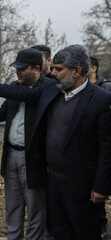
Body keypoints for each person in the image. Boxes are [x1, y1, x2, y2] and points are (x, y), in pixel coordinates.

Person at [0, 44, 111, 240]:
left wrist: (101, 186)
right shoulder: (55, 92)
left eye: (58, 69)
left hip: (80, 182)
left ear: (77, 71)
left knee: (82, 230)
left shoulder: (96, 98)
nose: (53, 73)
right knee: (59, 230)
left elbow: (107, 148)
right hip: (53, 177)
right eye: (53, 68)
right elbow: (16, 101)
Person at [0, 48, 48, 239]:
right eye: (15, 67)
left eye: (21, 68)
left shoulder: (48, 88)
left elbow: (24, 95)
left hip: (33, 160)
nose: (17, 71)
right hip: (11, 157)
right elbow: (5, 111)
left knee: (36, 211)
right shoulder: (15, 86)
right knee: (13, 207)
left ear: (36, 69)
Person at [87, 56, 111, 239]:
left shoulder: (106, 89)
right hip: (87, 150)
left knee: (99, 192)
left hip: (101, 147)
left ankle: (102, 229)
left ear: (93, 68)